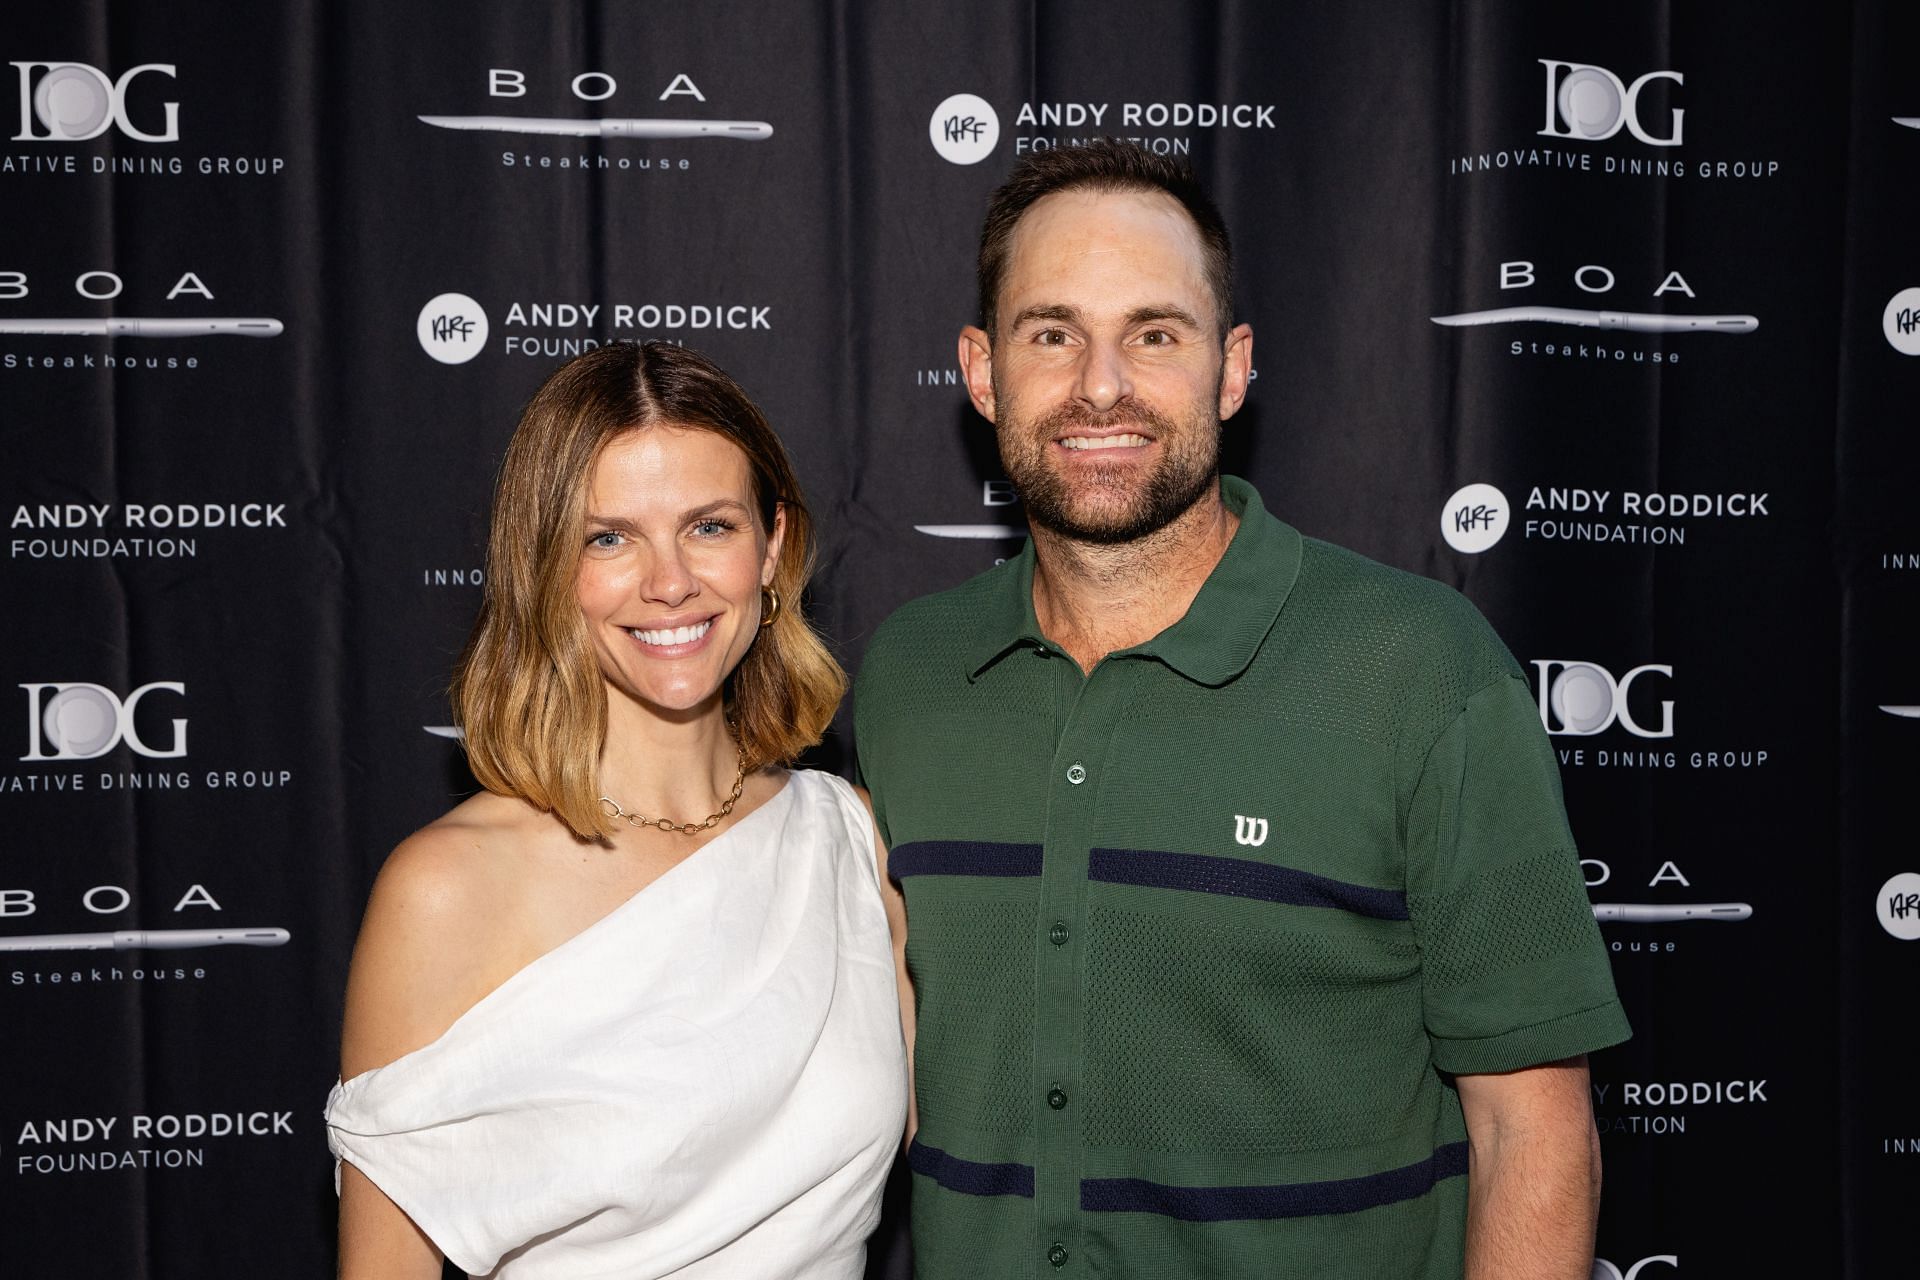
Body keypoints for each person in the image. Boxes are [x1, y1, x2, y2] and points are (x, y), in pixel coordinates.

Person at [853, 140, 1630, 1279]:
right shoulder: (909, 671)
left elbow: (1535, 1126)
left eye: (1154, 334)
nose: (1100, 384)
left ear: (1231, 367)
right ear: (982, 371)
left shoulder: (1419, 668)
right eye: (1051, 333)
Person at [326, 341, 911, 1279]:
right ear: (546, 571)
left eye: (710, 526)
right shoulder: (449, 890)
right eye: (609, 538)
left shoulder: (852, 846)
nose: (668, 581)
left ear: (774, 547)